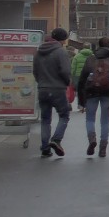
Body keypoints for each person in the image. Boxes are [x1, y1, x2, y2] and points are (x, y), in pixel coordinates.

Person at [77, 36, 109, 157]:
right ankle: (103, 148)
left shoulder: (90, 59)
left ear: (98, 45)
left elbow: (82, 80)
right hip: (108, 93)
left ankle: (92, 139)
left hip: (91, 92)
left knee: (90, 119)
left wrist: (81, 100)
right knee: (105, 121)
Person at [32, 27, 73, 156]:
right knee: (64, 115)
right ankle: (56, 139)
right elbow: (65, 71)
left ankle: (45, 148)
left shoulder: (39, 52)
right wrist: (66, 83)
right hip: (57, 89)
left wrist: (42, 83)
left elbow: (35, 71)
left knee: (45, 119)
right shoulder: (60, 52)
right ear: (62, 40)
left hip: (43, 89)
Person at [70, 44, 90, 112]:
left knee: (80, 91)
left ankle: (81, 106)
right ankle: (87, 105)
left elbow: (73, 67)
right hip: (89, 75)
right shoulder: (93, 56)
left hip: (79, 76)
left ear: (83, 48)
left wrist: (72, 76)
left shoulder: (77, 56)